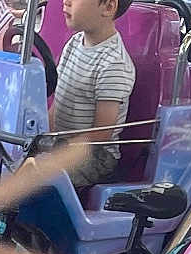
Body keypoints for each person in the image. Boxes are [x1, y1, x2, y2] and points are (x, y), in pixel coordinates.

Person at [50, 0, 137, 194]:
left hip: (96, 156)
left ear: (107, 7)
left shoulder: (114, 64)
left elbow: (102, 134)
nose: (66, 1)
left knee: (37, 176)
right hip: (62, 144)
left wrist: (57, 152)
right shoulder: (73, 43)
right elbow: (57, 105)